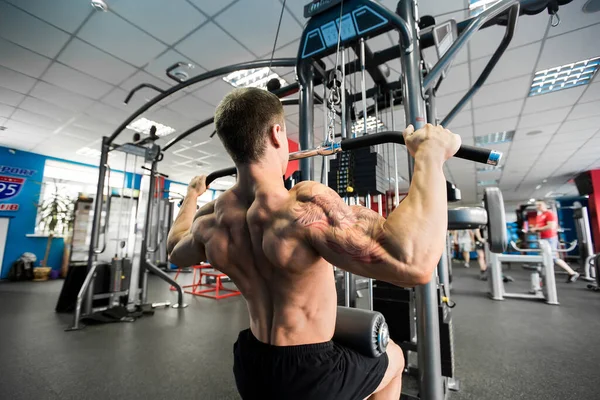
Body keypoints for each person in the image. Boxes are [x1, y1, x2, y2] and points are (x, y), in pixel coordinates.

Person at [167, 87, 461, 400]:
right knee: (395, 357)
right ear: (277, 134)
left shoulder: (210, 219)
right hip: (309, 374)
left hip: (251, 364)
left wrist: (191, 195)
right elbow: (413, 264)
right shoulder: (303, 205)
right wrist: (430, 156)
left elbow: (174, 249)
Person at [531, 200, 579, 283]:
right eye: (537, 205)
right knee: (550, 258)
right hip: (543, 238)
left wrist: (536, 229)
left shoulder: (549, 214)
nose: (538, 206)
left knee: (551, 258)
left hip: (550, 238)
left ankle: (570, 273)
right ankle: (571, 273)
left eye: (540, 204)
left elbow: (551, 226)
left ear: (545, 205)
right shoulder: (540, 215)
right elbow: (539, 227)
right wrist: (534, 229)